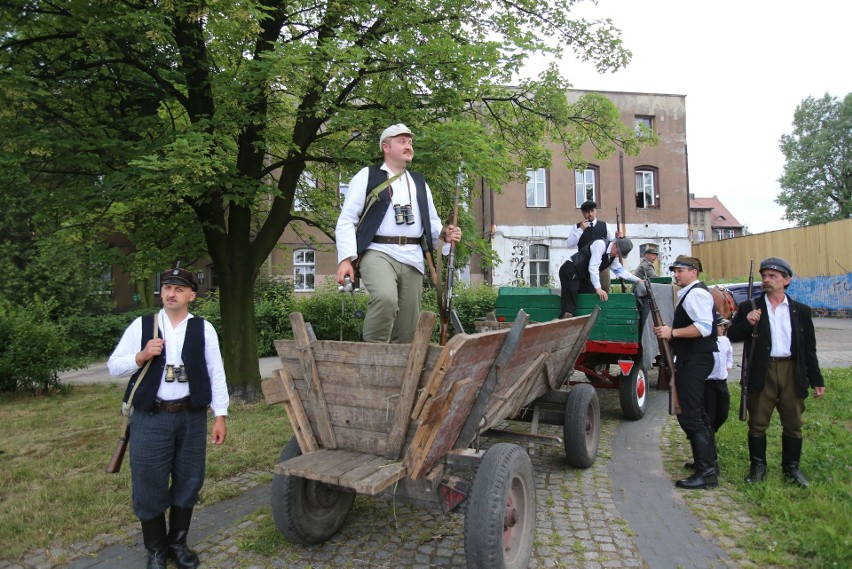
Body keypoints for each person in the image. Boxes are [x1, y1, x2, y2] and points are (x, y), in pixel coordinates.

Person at [108, 267, 229, 569]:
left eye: (178, 288)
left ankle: (178, 544)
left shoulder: (203, 329)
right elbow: (114, 366)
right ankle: (156, 551)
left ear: (191, 294)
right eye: (167, 287)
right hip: (151, 418)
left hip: (190, 417)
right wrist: (141, 356)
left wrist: (221, 415)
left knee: (189, 480)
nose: (171, 293)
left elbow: (216, 373)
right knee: (149, 485)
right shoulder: (143, 326)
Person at [335, 123, 461, 343]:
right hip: (378, 250)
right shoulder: (368, 176)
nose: (408, 146)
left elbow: (431, 222)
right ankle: (373, 356)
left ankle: (399, 372)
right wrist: (346, 259)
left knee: (408, 324)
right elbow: (347, 219)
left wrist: (445, 237)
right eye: (402, 141)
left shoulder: (420, 183)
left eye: (410, 142)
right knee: (385, 298)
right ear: (386, 146)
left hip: (413, 255)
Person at [727, 257, 825, 487]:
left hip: (792, 370)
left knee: (793, 421)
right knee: (758, 421)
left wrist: (816, 379)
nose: (767, 280)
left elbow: (809, 348)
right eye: (764, 276)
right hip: (763, 370)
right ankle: (758, 467)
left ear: (786, 280)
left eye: (773, 276)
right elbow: (732, 335)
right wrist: (747, 323)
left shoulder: (801, 311)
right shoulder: (750, 307)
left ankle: (791, 469)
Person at [652, 255, 719, 490]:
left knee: (691, 415)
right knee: (697, 412)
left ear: (694, 272)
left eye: (680, 270)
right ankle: (707, 462)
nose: (676, 274)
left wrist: (673, 333)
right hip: (694, 359)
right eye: (675, 270)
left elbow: (703, 327)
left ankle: (707, 473)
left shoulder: (697, 294)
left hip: (695, 360)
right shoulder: (690, 292)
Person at [558, 236, 640, 318]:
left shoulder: (612, 257)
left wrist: (638, 280)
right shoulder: (600, 245)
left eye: (620, 255)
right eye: (618, 252)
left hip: (581, 276)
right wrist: (598, 288)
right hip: (570, 270)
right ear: (615, 244)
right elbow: (593, 267)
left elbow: (621, 272)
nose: (618, 256)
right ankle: (566, 320)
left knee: (593, 295)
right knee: (570, 298)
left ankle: (586, 319)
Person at [566, 200, 616, 291]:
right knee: (587, 290)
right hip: (584, 265)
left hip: (602, 265)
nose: (590, 214)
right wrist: (580, 230)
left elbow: (614, 243)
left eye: (592, 211)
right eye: (587, 212)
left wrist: (619, 238)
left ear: (596, 211)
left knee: (604, 288)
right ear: (582, 213)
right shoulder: (577, 227)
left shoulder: (605, 226)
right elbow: (569, 244)